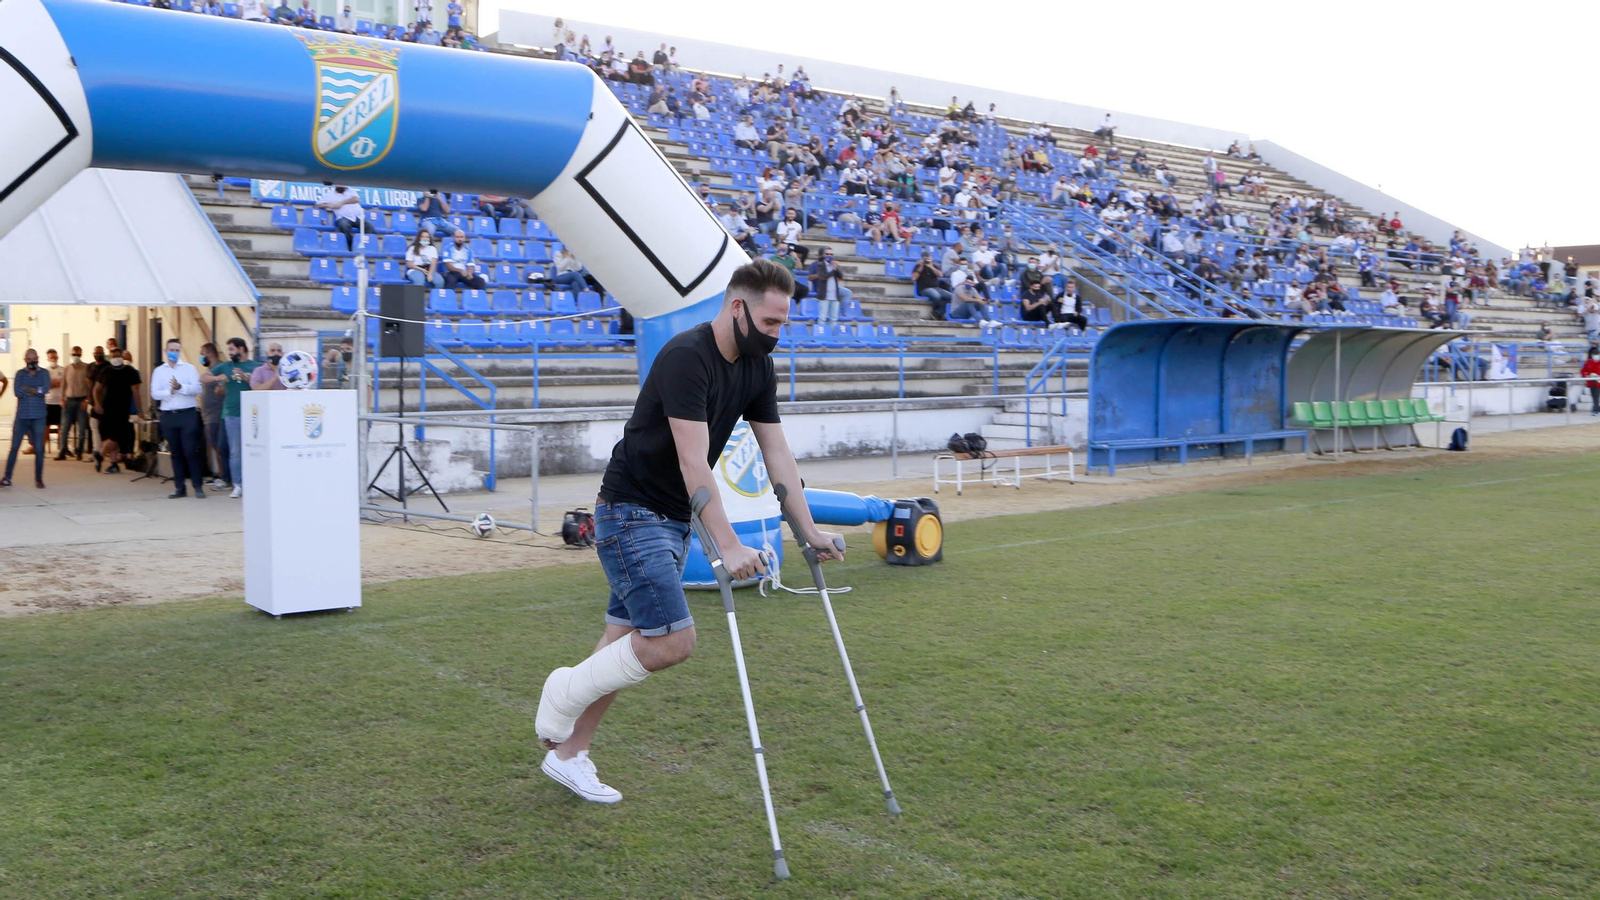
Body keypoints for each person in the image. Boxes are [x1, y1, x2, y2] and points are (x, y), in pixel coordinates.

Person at [533, 259, 843, 802]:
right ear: (737, 307)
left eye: (782, 323)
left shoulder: (758, 367)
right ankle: (563, 689)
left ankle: (568, 754)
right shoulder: (686, 357)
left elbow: (777, 453)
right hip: (631, 512)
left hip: (672, 518)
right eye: (770, 322)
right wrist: (728, 544)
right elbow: (692, 461)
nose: (777, 334)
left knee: (620, 647)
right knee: (672, 641)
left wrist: (809, 529)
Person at [151, 338, 206, 499]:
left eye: (177, 350)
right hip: (169, 415)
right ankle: (180, 487)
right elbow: (154, 393)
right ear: (165, 351)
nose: (174, 353)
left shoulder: (189, 369)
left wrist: (181, 387)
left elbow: (198, 388)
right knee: (176, 453)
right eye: (171, 350)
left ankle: (198, 486)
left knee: (190, 451)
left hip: (187, 414)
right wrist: (168, 392)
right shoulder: (159, 371)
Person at [203, 338, 258, 498]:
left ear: (242, 349)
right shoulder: (226, 366)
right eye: (229, 350)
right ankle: (237, 484)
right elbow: (203, 377)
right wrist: (217, 378)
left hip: (252, 416)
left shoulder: (255, 366)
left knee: (253, 450)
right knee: (235, 451)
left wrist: (246, 378)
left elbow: (261, 385)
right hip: (232, 416)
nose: (230, 353)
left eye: (232, 349)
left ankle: (252, 482)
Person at [2, 349, 51, 488]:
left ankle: (39, 479)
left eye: (34, 358)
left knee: (39, 449)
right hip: (22, 417)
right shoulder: (20, 374)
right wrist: (36, 390)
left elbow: (44, 390)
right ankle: (7, 477)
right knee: (14, 447)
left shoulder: (44, 373)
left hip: (39, 417)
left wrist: (28, 389)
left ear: (38, 358)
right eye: (29, 359)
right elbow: (18, 392)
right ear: (25, 360)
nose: (32, 361)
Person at [92, 349, 141, 474]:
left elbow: (136, 392)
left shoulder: (130, 372)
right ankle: (113, 464)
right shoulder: (105, 371)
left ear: (122, 357)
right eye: (113, 356)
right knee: (109, 436)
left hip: (122, 410)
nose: (115, 358)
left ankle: (99, 454)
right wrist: (97, 404)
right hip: (106, 409)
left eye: (118, 356)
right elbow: (96, 389)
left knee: (118, 436)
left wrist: (139, 409)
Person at [196, 343, 230, 492]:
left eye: (202, 353)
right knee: (214, 445)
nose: (201, 357)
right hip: (208, 414)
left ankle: (224, 476)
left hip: (216, 414)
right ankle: (220, 474)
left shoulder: (220, 369)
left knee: (218, 446)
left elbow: (222, 390)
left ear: (210, 354)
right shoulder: (209, 371)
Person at [59, 346, 91, 460]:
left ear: (81, 355)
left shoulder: (86, 368)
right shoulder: (67, 368)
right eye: (74, 354)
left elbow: (89, 386)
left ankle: (79, 452)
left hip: (81, 401)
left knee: (82, 429)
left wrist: (87, 400)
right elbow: (63, 385)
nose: (76, 356)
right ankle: (63, 451)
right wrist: (62, 399)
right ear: (70, 355)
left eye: (77, 354)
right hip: (69, 401)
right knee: (65, 428)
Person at [808, 247, 852, 325]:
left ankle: (843, 313)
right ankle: (821, 332)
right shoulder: (820, 265)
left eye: (831, 254)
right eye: (827, 254)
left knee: (834, 318)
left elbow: (841, 277)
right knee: (822, 317)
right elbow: (823, 277)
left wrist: (836, 268)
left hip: (834, 293)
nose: (829, 256)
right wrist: (833, 270)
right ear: (823, 255)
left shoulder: (834, 265)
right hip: (824, 293)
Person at [316, 183, 363, 252]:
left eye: (342, 184)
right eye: (338, 184)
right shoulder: (330, 194)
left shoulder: (350, 190)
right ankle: (351, 246)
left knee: (369, 226)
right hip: (343, 217)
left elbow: (356, 199)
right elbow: (318, 205)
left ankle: (365, 246)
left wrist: (341, 203)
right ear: (335, 185)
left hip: (358, 217)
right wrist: (330, 205)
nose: (341, 185)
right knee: (344, 225)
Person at [912, 252, 953, 319]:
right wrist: (921, 267)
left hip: (937, 288)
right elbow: (914, 278)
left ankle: (937, 312)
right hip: (924, 289)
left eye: (928, 257)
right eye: (925, 258)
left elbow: (940, 275)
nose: (927, 259)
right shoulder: (918, 266)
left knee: (952, 297)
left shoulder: (934, 266)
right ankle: (936, 311)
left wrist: (931, 266)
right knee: (936, 296)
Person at [43, 349, 64, 457]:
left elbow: (63, 384)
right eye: (51, 357)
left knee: (61, 426)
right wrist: (55, 383)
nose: (53, 359)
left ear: (57, 357)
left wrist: (53, 383)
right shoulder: (45, 372)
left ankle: (61, 449)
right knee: (45, 427)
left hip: (60, 402)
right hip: (48, 402)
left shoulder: (63, 370)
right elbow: (45, 386)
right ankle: (42, 449)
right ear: (48, 358)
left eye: (54, 357)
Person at [1582, 348, 1600, 416]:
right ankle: (1597, 408)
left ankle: (1595, 410)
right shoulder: (1589, 362)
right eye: (1595, 354)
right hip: (1591, 382)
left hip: (1598, 382)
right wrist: (1586, 376)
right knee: (1593, 396)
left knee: (1596, 396)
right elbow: (1583, 370)